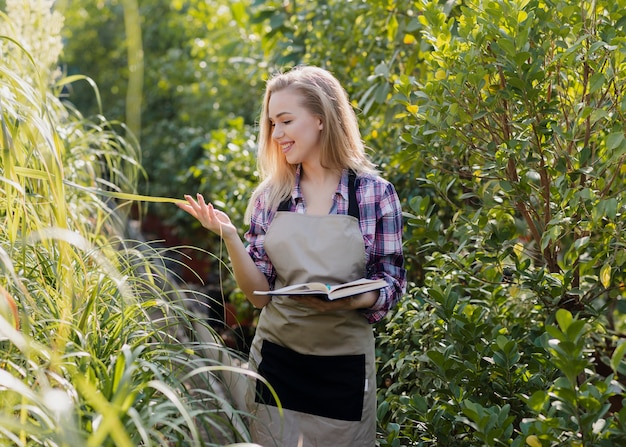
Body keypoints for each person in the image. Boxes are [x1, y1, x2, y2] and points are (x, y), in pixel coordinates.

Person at [177, 65, 406, 447]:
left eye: (285, 121)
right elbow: (258, 295)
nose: (277, 134)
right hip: (278, 361)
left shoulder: (373, 194)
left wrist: (351, 299)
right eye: (272, 124)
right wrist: (230, 236)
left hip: (342, 367)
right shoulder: (272, 196)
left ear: (320, 119)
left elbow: (392, 282)